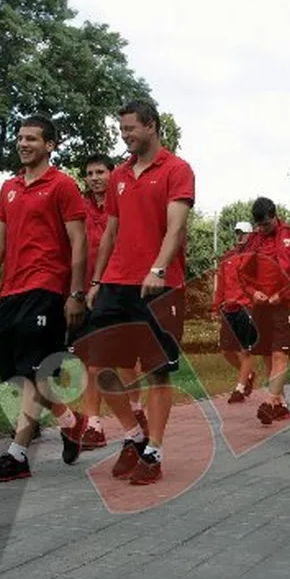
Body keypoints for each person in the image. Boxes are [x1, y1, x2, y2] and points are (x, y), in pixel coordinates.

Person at [76, 100, 194, 486]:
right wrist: (97, 281)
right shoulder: (120, 176)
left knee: (157, 372)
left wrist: (158, 268)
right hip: (116, 282)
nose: (125, 136)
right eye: (122, 130)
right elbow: (111, 231)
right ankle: (133, 435)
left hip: (160, 285)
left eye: (130, 129)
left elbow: (175, 227)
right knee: (99, 366)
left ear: (152, 126)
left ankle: (154, 451)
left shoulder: (177, 169)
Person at [0, 114, 87, 483]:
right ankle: (70, 421)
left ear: (49, 145)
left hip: (47, 287)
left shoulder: (63, 186)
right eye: (20, 138)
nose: (23, 143)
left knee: (35, 371)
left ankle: (18, 455)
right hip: (11, 292)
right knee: (18, 375)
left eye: (32, 138)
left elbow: (79, 242)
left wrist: (76, 292)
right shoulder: (9, 188)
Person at [54, 154, 123, 459]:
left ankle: (112, 419)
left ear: (112, 174)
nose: (95, 178)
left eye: (100, 172)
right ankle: (93, 423)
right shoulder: (78, 208)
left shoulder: (122, 206)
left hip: (115, 289)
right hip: (82, 292)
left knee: (107, 360)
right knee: (86, 361)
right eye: (90, 173)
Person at [237, 197, 290, 426]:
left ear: (274, 216)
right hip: (262, 307)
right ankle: (281, 405)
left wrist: (286, 293)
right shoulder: (254, 240)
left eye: (266, 224)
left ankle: (269, 403)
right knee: (268, 355)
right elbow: (243, 272)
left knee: (280, 354)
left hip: (285, 306)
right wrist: (253, 292)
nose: (263, 228)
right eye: (259, 225)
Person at [214, 222, 257, 403]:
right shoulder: (227, 257)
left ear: (251, 235)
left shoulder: (255, 257)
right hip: (229, 307)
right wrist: (216, 306)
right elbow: (221, 283)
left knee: (245, 350)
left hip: (247, 307)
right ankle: (248, 374)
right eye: (237, 233)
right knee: (226, 350)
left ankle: (240, 388)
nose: (240, 236)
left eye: (243, 233)